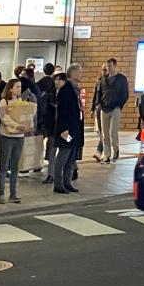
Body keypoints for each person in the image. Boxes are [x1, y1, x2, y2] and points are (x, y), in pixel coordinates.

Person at [0, 77, 35, 205]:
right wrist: (17, 125)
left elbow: (27, 115)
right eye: (17, 87)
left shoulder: (22, 101)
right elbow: (3, 117)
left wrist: (28, 125)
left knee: (15, 166)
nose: (19, 89)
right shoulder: (4, 102)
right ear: (10, 89)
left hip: (19, 137)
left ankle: (13, 194)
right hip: (6, 136)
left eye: (20, 87)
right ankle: (1, 194)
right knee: (4, 166)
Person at [53, 66, 82, 194]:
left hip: (74, 129)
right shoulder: (66, 90)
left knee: (71, 158)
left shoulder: (75, 89)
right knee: (63, 156)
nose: (81, 75)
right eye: (79, 72)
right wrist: (64, 129)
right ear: (73, 73)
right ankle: (58, 184)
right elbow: (62, 112)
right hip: (66, 130)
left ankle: (67, 182)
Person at [99, 58, 129, 163]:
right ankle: (107, 155)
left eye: (110, 66)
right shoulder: (103, 79)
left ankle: (116, 150)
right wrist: (99, 104)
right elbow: (100, 92)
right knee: (105, 133)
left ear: (115, 66)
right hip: (104, 108)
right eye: (107, 66)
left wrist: (119, 105)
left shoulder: (122, 79)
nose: (108, 68)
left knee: (113, 132)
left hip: (115, 107)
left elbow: (125, 94)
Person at [91, 62, 109, 160]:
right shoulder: (98, 82)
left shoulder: (111, 83)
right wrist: (92, 108)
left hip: (108, 109)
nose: (103, 72)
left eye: (105, 70)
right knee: (102, 131)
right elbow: (95, 96)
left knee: (105, 132)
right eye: (102, 70)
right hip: (99, 108)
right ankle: (102, 151)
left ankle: (101, 151)